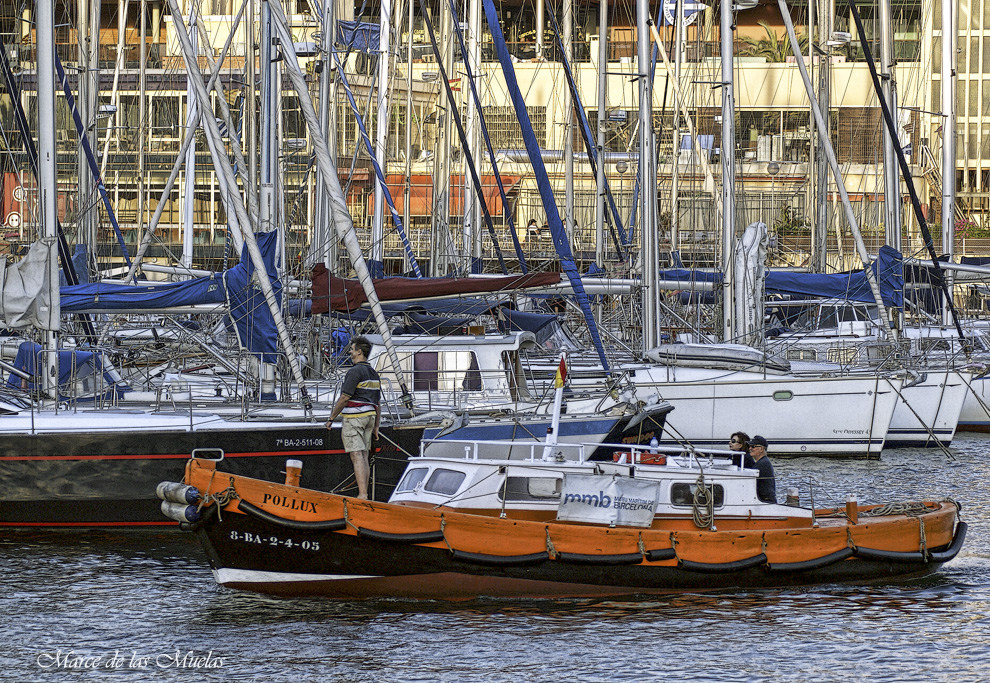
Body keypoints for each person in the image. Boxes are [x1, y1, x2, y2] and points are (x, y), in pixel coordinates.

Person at [326, 336, 380, 499]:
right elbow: (378, 402)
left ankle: (362, 495)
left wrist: (331, 418)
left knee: (356, 455)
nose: (350, 352)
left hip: (355, 417)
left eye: (352, 349)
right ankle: (365, 493)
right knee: (363, 454)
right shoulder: (373, 372)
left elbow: (344, 397)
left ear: (359, 352)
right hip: (370, 416)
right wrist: (376, 426)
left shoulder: (355, 371)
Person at [747, 435, 777, 504]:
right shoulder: (763, 462)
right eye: (750, 446)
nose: (750, 448)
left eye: (753, 446)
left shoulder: (762, 464)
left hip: (766, 502)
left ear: (761, 449)